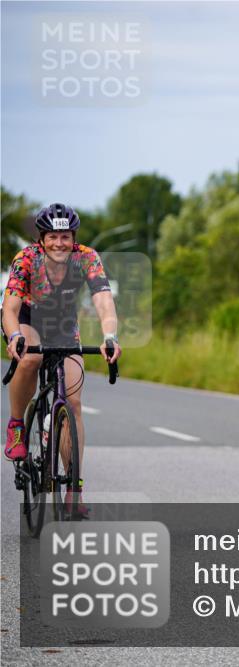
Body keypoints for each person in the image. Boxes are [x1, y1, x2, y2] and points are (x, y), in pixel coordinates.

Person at [3, 203, 122, 514]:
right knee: (29, 359)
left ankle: (74, 490)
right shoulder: (26, 258)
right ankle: (16, 424)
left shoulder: (87, 258)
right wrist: (14, 335)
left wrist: (110, 336)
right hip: (28, 318)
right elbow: (10, 308)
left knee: (74, 401)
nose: (59, 243)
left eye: (65, 236)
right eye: (53, 236)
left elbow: (104, 301)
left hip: (63, 323)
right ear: (42, 238)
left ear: (74, 238)